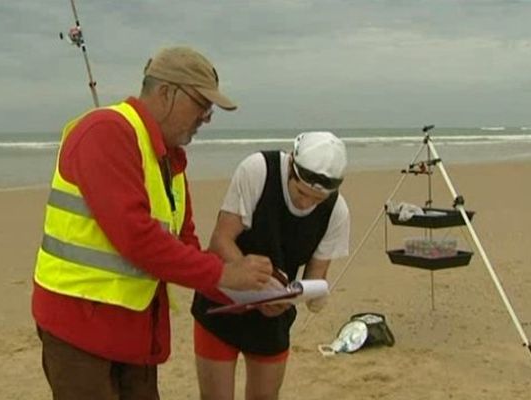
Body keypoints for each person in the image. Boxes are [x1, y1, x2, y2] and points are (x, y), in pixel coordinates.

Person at [32, 46, 273, 400]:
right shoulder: (106, 131)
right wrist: (225, 275)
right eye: (202, 105)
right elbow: (136, 237)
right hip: (80, 328)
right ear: (166, 93)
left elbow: (185, 246)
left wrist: (251, 293)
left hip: (135, 332)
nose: (207, 118)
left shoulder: (169, 159)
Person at [191, 131, 350, 400]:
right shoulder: (258, 170)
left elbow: (315, 275)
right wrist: (250, 274)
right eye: (301, 192)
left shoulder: (337, 211)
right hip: (221, 302)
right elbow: (221, 239)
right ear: (291, 166)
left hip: (273, 317)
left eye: (316, 200)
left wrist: (294, 299)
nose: (306, 202)